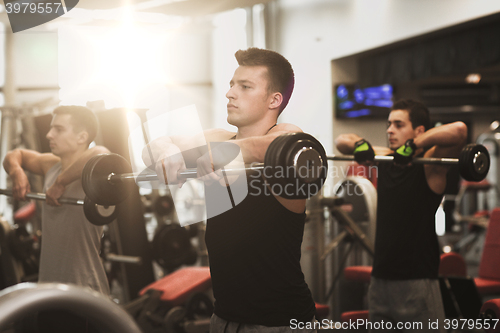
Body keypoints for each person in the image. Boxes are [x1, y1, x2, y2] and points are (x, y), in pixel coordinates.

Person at [144, 48, 317, 332]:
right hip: (223, 318)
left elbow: (280, 146)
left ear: (275, 100)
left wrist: (228, 153)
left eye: (245, 87)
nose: (230, 93)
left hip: (279, 321)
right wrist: (166, 150)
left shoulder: (287, 139)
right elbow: (154, 145)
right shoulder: (218, 138)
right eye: (231, 85)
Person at [335, 99, 467, 332]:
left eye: (398, 124)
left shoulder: (431, 164)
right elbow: (341, 142)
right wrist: (360, 144)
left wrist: (414, 145)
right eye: (389, 124)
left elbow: (459, 130)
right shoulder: (386, 157)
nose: (389, 130)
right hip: (380, 281)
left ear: (418, 130)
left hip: (417, 283)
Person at [3, 105, 110, 333]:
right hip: (49, 293)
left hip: (84, 295)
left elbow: (100, 152)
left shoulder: (95, 172)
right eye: (51, 128)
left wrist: (61, 183)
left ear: (82, 136)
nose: (49, 134)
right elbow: (15, 155)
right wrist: (17, 172)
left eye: (58, 129)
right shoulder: (50, 164)